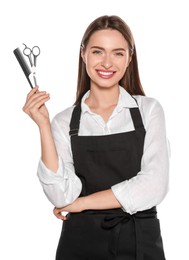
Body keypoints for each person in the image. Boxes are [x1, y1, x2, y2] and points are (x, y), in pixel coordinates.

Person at [23, 15, 169, 260]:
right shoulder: (64, 121)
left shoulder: (148, 111)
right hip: (80, 244)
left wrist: (81, 204)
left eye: (118, 53)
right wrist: (44, 126)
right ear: (84, 54)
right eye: (98, 51)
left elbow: (154, 185)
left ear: (129, 58)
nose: (107, 62)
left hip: (139, 243)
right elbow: (62, 195)